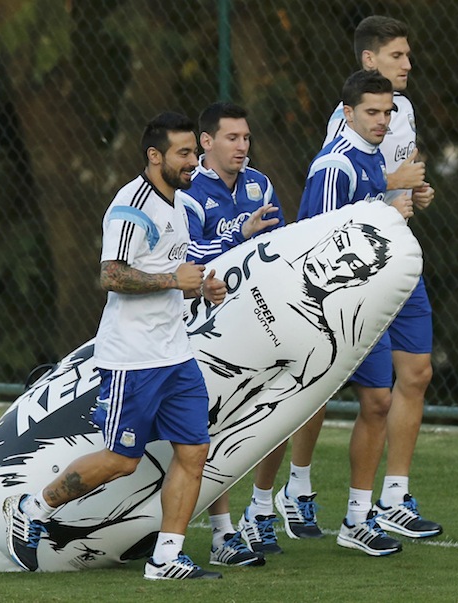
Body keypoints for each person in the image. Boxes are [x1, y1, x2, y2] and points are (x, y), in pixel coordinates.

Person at [2, 111, 229, 580]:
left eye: (195, 152)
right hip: (133, 359)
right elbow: (111, 275)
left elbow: (168, 278)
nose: (193, 161)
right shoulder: (131, 204)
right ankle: (33, 508)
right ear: (154, 156)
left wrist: (197, 288)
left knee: (194, 451)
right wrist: (173, 277)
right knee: (122, 461)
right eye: (183, 153)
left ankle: (166, 557)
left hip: (175, 355)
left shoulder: (180, 205)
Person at [274, 14, 441, 546]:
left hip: (400, 258)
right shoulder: (341, 127)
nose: (407, 64)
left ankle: (392, 498)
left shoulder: (403, 111)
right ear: (369, 61)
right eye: (397, 55)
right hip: (355, 274)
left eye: (408, 55)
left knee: (414, 374)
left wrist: (416, 194)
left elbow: (401, 178)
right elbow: (340, 204)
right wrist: (394, 190)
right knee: (321, 384)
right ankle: (294, 488)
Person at [294, 68, 412, 556]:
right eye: (372, 112)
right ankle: (265, 505)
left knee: (379, 402)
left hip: (368, 307)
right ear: (347, 113)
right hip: (329, 309)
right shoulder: (335, 165)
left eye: (387, 112)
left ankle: (359, 518)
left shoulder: (375, 160)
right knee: (299, 405)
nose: (382, 120)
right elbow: (316, 237)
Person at [175, 101, 283, 565]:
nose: (242, 147)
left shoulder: (260, 184)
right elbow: (192, 257)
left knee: (274, 409)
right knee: (211, 421)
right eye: (232, 138)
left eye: (246, 138)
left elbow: (275, 244)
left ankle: (261, 510)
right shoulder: (187, 190)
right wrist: (241, 232)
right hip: (200, 322)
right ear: (206, 142)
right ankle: (223, 535)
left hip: (256, 317)